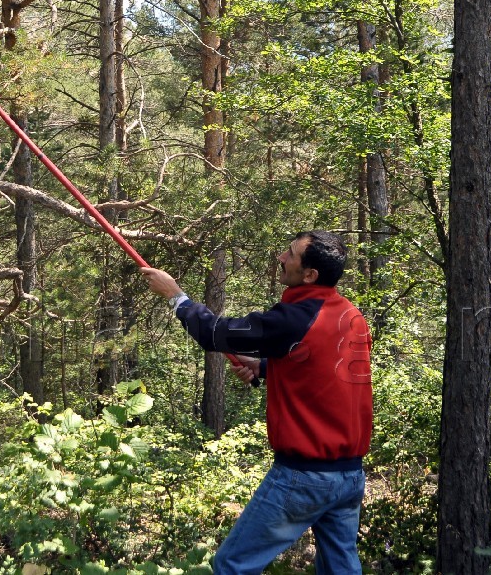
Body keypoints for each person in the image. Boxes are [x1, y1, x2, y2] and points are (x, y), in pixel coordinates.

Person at [141, 230, 372, 575]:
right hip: (349, 476)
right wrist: (265, 367)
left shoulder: (296, 318)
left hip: (304, 476)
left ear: (310, 275)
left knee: (233, 564)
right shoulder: (349, 315)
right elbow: (324, 368)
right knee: (341, 569)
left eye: (291, 254)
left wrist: (176, 297)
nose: (281, 257)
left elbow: (215, 333)